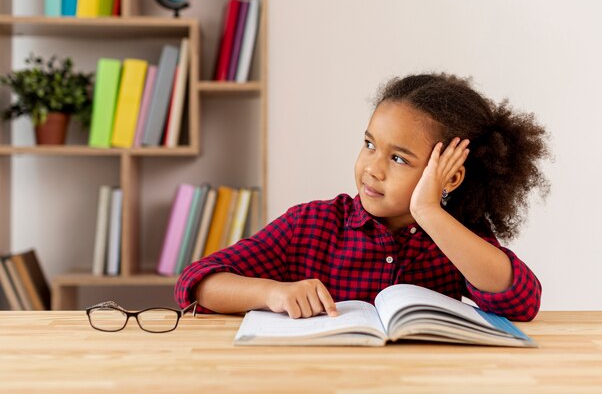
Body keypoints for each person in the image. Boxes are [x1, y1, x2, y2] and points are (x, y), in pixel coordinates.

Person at [175, 73, 549, 322]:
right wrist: (272, 293)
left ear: (449, 175)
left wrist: (428, 210)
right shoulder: (311, 224)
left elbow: (521, 302)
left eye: (399, 158)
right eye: (369, 144)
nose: (373, 168)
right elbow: (195, 284)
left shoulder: (457, 237)